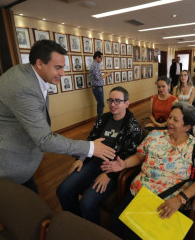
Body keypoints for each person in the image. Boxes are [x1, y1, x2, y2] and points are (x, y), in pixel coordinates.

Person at [0, 40, 116, 193]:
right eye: (58, 68)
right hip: (4, 157)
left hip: (13, 147)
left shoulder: (28, 73)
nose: (63, 73)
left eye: (63, 67)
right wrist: (90, 147)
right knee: (20, 206)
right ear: (39, 63)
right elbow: (44, 139)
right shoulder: (23, 87)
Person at [102, 102, 195, 239]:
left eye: (175, 120)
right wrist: (123, 164)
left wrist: (179, 200)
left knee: (139, 235)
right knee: (116, 224)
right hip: (140, 193)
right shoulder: (154, 135)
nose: (170, 122)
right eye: (170, 117)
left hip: (168, 201)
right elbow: (139, 156)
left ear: (187, 127)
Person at [57, 87, 142, 225]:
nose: (112, 104)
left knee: (87, 203)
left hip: (111, 169)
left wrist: (109, 175)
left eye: (117, 101)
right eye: (110, 100)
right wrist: (80, 158)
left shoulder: (133, 126)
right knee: (63, 191)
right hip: (93, 162)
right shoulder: (103, 119)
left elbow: (129, 156)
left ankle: (93, 231)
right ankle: (76, 221)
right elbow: (91, 140)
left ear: (127, 103)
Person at [89, 51, 111, 116]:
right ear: (97, 57)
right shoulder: (95, 65)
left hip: (97, 87)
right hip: (97, 87)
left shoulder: (95, 64)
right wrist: (107, 74)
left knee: (100, 104)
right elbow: (98, 78)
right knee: (101, 104)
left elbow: (96, 73)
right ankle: (100, 119)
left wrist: (103, 71)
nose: (101, 60)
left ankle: (100, 118)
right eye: (101, 58)